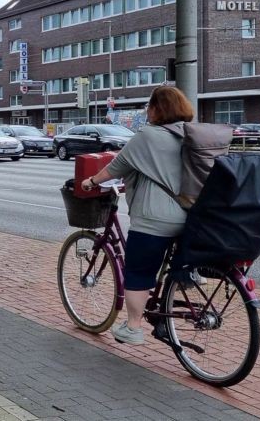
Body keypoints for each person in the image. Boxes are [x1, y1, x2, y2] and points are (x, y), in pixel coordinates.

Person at [80, 86, 193, 345]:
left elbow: (116, 168)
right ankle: (173, 297)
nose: (147, 111)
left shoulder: (148, 136)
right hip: (189, 217)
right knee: (166, 265)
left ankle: (132, 328)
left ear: (156, 109)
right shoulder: (191, 133)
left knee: (138, 272)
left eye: (148, 107)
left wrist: (90, 181)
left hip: (154, 220)